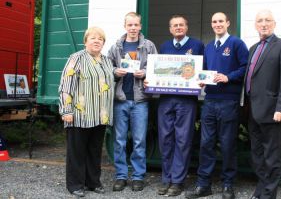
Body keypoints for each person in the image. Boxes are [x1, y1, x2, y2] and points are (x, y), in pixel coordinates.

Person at [185, 12, 249, 199]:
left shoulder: (236, 43)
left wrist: (229, 77)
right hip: (210, 101)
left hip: (229, 101)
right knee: (206, 143)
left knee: (228, 144)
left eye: (221, 21)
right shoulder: (209, 47)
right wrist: (201, 80)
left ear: (228, 23)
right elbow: (204, 70)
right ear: (212, 25)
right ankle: (204, 184)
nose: (218, 24)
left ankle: (228, 185)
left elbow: (246, 67)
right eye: (214, 21)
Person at [245, 9, 281, 199]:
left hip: (272, 111)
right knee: (257, 156)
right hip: (253, 111)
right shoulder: (253, 48)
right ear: (255, 25)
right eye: (260, 21)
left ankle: (268, 195)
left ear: (274, 24)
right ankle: (261, 189)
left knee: (272, 157)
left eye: (267, 20)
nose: (263, 24)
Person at [58, 27, 114, 197]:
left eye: (100, 39)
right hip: (79, 115)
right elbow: (66, 86)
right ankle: (75, 185)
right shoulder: (76, 58)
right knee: (77, 151)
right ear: (86, 41)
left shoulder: (107, 61)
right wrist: (66, 110)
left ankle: (93, 182)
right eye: (93, 38)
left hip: (100, 115)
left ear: (103, 43)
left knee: (95, 151)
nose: (97, 41)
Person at [107, 12, 157, 192]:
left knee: (139, 141)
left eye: (136, 25)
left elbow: (156, 68)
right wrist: (115, 72)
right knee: (119, 140)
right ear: (125, 26)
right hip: (120, 100)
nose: (133, 28)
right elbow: (107, 68)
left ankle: (137, 176)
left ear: (140, 26)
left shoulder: (149, 46)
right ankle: (120, 176)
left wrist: (145, 73)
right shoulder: (116, 47)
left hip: (140, 101)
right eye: (130, 25)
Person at [156, 15, 204, 197]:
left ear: (186, 27)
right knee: (165, 139)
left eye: (181, 25)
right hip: (166, 99)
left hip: (186, 100)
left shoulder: (197, 45)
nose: (178, 27)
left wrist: (202, 80)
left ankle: (177, 181)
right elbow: (158, 71)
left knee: (183, 140)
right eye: (174, 25)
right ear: (170, 29)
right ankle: (166, 179)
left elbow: (202, 70)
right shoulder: (165, 46)